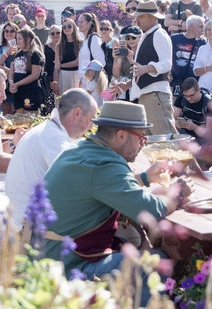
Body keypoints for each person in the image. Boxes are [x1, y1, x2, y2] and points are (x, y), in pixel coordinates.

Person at [44, 101, 192, 306]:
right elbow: (150, 210)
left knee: (135, 242)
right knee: (156, 262)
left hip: (50, 258)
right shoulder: (104, 164)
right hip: (69, 268)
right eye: (141, 137)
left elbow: (99, 186)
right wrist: (174, 195)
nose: (143, 144)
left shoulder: (82, 148)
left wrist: (144, 178)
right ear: (121, 135)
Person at [5, 88, 97, 227]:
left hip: (23, 221)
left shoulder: (50, 130)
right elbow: (79, 186)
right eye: (90, 120)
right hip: (28, 230)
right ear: (77, 113)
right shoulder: (53, 137)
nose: (91, 127)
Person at [128, 0, 177, 135]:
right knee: (156, 144)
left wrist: (147, 69)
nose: (137, 20)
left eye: (141, 16)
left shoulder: (159, 34)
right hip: (149, 95)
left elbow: (167, 63)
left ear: (153, 17)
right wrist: (127, 85)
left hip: (156, 95)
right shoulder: (148, 35)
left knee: (166, 140)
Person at [173, 77, 212, 142]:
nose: (188, 99)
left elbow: (211, 133)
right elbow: (172, 118)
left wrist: (194, 127)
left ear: (198, 90)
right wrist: (177, 123)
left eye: (191, 95)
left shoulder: (211, 104)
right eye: (186, 96)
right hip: (186, 135)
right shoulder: (182, 99)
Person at [9, 28, 45, 113]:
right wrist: (11, 84)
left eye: (20, 39)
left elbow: (34, 75)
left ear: (28, 39)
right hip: (18, 92)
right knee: (19, 118)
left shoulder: (35, 54)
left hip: (31, 91)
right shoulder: (16, 54)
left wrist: (17, 84)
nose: (17, 41)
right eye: (16, 39)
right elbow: (11, 73)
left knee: (30, 119)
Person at [170, 15, 205, 96]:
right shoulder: (174, 39)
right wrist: (168, 73)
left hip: (193, 87)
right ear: (191, 27)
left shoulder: (202, 43)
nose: (202, 30)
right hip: (175, 83)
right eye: (200, 27)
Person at [0, 22, 19, 114]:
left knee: (17, 111)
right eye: (6, 31)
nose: (9, 33)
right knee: (6, 112)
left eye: (12, 31)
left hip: (18, 82)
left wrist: (7, 70)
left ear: (16, 33)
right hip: (4, 83)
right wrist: (7, 52)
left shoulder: (20, 47)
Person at [54, 18, 82, 95]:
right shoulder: (59, 46)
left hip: (76, 76)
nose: (67, 29)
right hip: (62, 76)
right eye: (64, 27)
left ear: (74, 27)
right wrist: (55, 82)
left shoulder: (81, 43)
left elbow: (77, 62)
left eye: (69, 26)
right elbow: (56, 68)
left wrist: (61, 65)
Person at [77, 13, 105, 82]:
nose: (79, 24)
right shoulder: (85, 40)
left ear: (89, 23)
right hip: (84, 81)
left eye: (82, 22)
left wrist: (92, 81)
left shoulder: (94, 38)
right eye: (78, 22)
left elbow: (101, 62)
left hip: (92, 82)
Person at [43, 24, 61, 93]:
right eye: (53, 33)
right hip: (49, 81)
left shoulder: (65, 47)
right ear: (50, 36)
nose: (55, 35)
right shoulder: (44, 48)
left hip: (63, 78)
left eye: (58, 33)